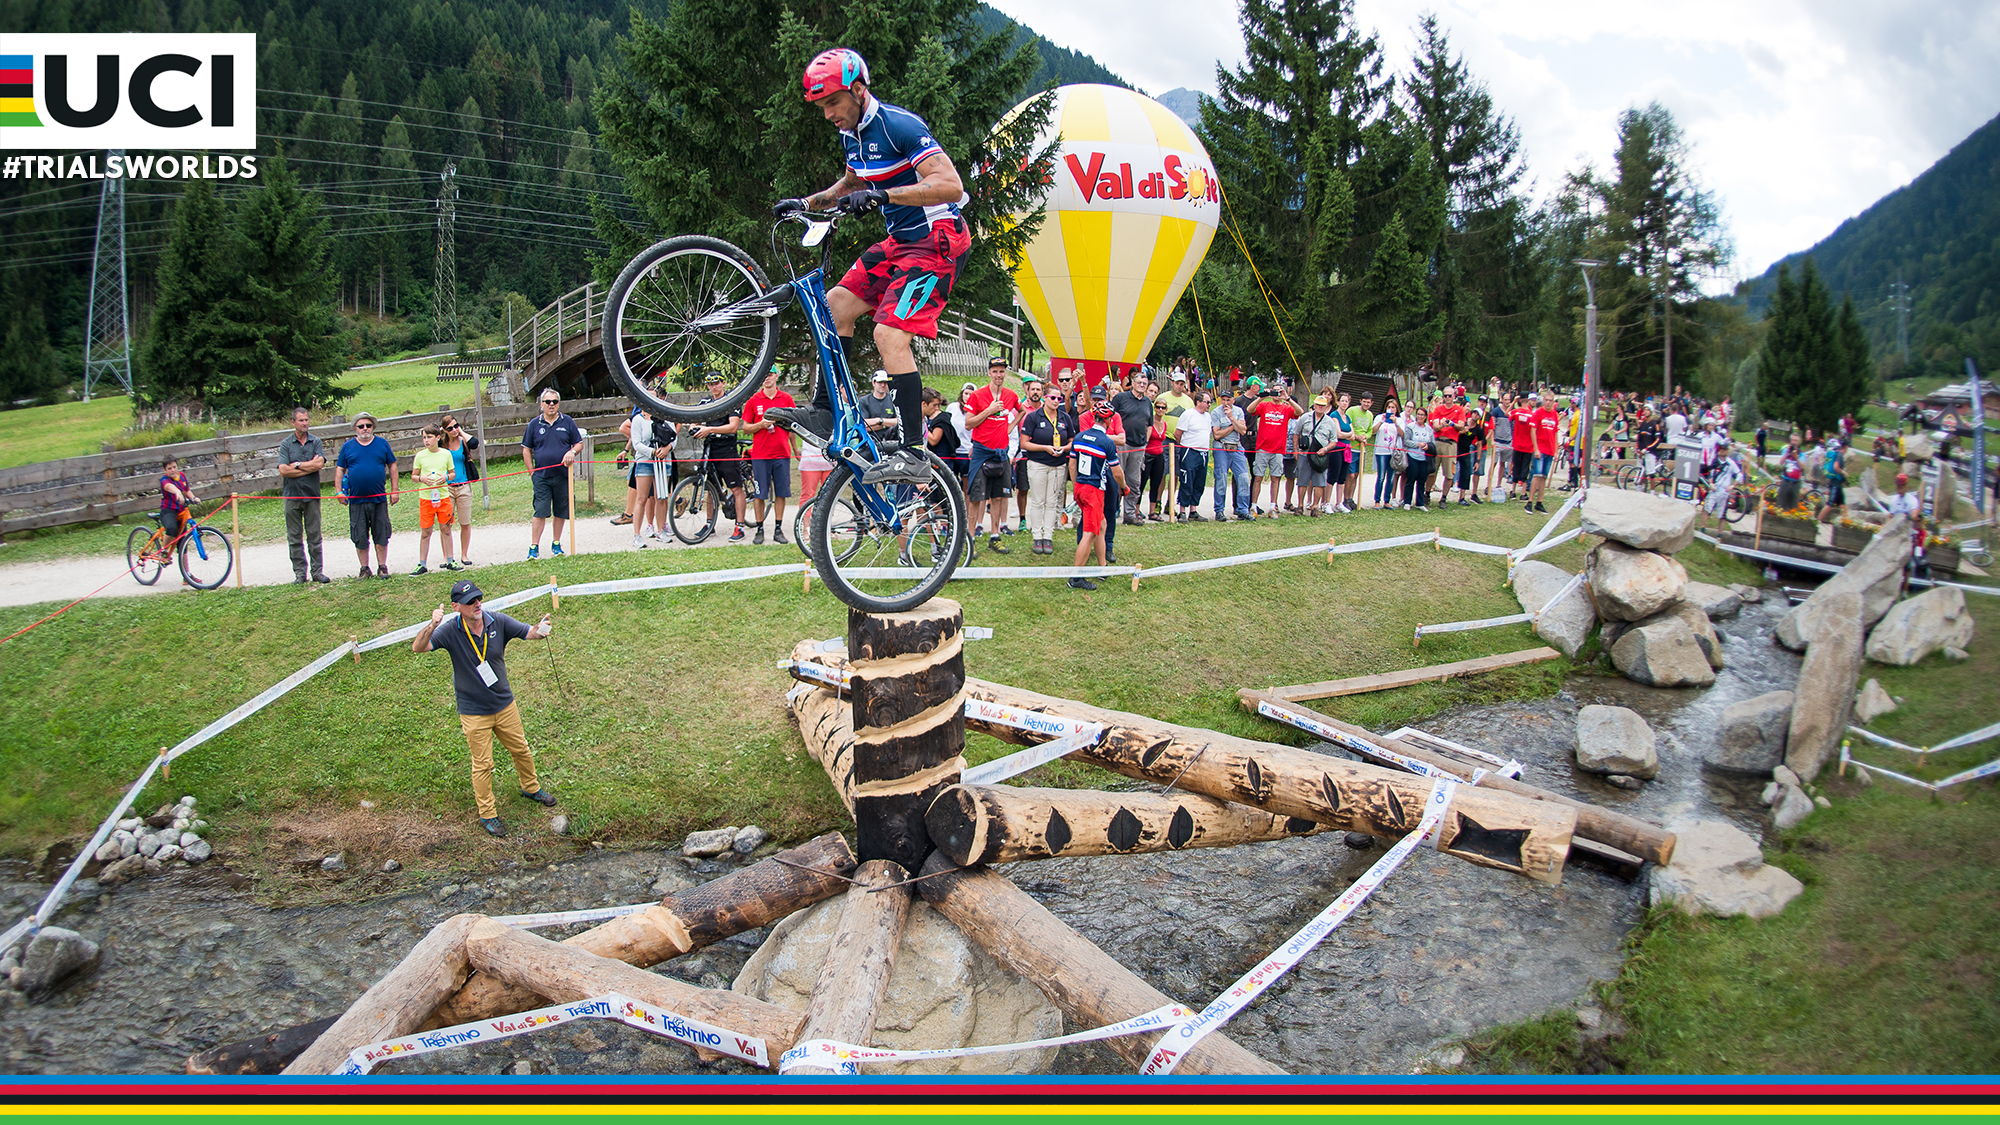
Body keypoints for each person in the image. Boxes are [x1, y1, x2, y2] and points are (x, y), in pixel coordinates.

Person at [767, 47, 971, 487]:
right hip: (901, 242)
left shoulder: (899, 126)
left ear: (858, 90)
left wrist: (885, 196)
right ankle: (825, 411)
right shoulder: (852, 134)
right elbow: (851, 184)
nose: (828, 114)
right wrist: (805, 202)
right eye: (821, 107)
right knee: (835, 306)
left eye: (833, 103)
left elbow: (950, 185)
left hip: (937, 241)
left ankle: (914, 452)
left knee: (888, 334)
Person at [412, 579, 559, 838]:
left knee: (521, 749)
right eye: (470, 602)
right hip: (473, 711)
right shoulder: (449, 631)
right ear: (456, 607)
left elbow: (530, 632)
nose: (477, 604)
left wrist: (542, 628)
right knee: (483, 765)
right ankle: (488, 814)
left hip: (504, 704)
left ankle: (531, 788)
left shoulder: (497, 621)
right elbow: (419, 647)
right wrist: (432, 625)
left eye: (478, 598)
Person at [1067, 387, 1127, 591]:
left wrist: (1077, 485)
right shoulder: (1106, 442)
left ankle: (1102, 567)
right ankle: (1076, 578)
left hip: (1080, 487)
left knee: (1101, 525)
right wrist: (1124, 487)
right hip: (1094, 491)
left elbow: (1072, 465)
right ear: (1108, 420)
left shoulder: (1080, 437)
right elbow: (1117, 473)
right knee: (1090, 533)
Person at [964, 357, 1021, 554]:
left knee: (998, 497)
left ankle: (995, 536)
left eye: (1002, 371)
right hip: (982, 453)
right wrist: (988, 411)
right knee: (976, 498)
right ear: (989, 372)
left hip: (1001, 453)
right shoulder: (977, 395)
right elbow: (969, 424)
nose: (999, 375)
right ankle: (970, 540)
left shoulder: (1011, 395)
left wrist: (1010, 427)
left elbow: (1021, 410)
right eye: (995, 371)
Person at [334, 411, 399, 578]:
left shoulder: (382, 444)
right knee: (359, 535)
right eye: (361, 426)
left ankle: (382, 567)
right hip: (356, 500)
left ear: (373, 427)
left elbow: (392, 466)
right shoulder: (348, 446)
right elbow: (340, 469)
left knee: (381, 533)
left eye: (368, 425)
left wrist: (395, 490)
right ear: (355, 428)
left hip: (378, 499)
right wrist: (339, 491)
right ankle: (364, 569)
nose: (365, 428)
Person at [521, 390, 583, 560]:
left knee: (561, 511)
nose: (551, 405)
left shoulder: (567, 421)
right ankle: (534, 546)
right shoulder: (534, 424)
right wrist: (532, 472)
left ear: (558, 403)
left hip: (563, 475)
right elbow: (526, 449)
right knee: (540, 511)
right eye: (547, 401)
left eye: (554, 401)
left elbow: (579, 444)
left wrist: (571, 452)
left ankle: (556, 543)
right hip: (542, 476)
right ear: (541, 404)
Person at [1018, 374, 1075, 555]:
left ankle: (1048, 536)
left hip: (1058, 464)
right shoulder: (1034, 417)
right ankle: (1037, 536)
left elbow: (1072, 440)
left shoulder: (1065, 418)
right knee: (1038, 501)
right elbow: (1024, 443)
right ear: (1045, 397)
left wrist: (1064, 448)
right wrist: (1045, 448)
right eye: (1053, 398)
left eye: (1059, 398)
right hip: (1038, 463)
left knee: (1052, 502)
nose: (1056, 401)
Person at [740, 369, 798, 545]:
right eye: (765, 375)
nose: (767, 378)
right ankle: (759, 529)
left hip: (782, 453)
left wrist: (795, 449)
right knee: (760, 494)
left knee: (781, 493)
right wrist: (761, 425)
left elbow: (794, 425)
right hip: (760, 455)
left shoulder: (786, 398)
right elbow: (745, 427)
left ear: (776, 376)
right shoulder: (753, 400)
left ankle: (778, 529)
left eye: (770, 375)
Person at [691, 373, 749, 542]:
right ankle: (709, 524)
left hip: (727, 450)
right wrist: (693, 428)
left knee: (736, 488)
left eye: (717, 383)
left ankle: (739, 527)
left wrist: (709, 429)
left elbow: (733, 427)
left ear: (723, 383)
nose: (714, 387)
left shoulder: (731, 401)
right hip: (710, 449)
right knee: (710, 488)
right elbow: (694, 420)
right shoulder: (705, 402)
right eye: (710, 384)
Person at [277, 406, 330, 584]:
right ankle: (300, 573)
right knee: (294, 537)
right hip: (292, 495)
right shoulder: (286, 444)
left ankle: (317, 572)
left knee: (314, 535)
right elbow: (284, 470)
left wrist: (297, 465)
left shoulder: (315, 442)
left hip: (311, 495)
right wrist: (309, 467)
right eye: (301, 420)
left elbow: (319, 464)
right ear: (293, 422)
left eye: (306, 420)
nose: (305, 423)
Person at [409, 424, 456, 575]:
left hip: (443, 497)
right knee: (425, 532)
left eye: (429, 437)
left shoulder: (446, 454)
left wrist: (446, 477)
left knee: (446, 529)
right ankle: (422, 564)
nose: (426, 441)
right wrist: (421, 478)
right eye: (424, 438)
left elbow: (453, 473)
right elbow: (414, 476)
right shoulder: (420, 456)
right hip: (426, 498)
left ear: (437, 438)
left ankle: (450, 560)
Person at [1247, 382, 1298, 517]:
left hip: (1278, 449)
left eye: (1279, 391)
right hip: (1263, 448)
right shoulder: (1265, 405)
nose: (1277, 394)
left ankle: (1273, 507)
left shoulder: (1286, 408)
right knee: (1258, 477)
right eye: (1275, 391)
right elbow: (1250, 409)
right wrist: (1262, 397)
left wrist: (1288, 398)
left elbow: (1299, 412)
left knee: (1275, 478)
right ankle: (1253, 506)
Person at [439, 414, 481, 566]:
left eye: (455, 426)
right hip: (447, 488)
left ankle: (464, 555)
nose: (454, 430)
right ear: (445, 430)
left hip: (463, 487)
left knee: (465, 522)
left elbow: (475, 444)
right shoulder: (441, 444)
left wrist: (461, 432)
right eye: (450, 428)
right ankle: (446, 556)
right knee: (445, 524)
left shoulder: (463, 441)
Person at [1210, 389, 1251, 521]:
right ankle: (1219, 510)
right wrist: (1234, 426)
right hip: (1221, 446)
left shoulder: (1238, 411)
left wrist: (1232, 418)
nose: (1226, 402)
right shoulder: (1216, 412)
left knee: (1244, 478)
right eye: (1223, 399)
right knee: (1221, 478)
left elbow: (1243, 431)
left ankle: (1243, 510)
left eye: (1228, 400)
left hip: (1236, 446)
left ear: (1233, 400)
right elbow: (1217, 434)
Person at [1174, 390, 1213, 521]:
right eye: (1207, 402)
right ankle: (1182, 511)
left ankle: (1193, 510)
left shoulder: (1207, 416)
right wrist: (1185, 446)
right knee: (1187, 480)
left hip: (1203, 452)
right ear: (1198, 402)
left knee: (1199, 481)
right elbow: (1178, 434)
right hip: (1190, 451)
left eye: (1210, 402)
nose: (1209, 404)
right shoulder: (1188, 414)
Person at [923, 387, 966, 494]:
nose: (936, 408)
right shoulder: (926, 417)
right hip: (929, 460)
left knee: (941, 494)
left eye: (937, 405)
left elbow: (934, 440)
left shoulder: (941, 418)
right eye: (934, 405)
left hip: (942, 460)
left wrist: (922, 426)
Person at [1524, 392, 1559, 513]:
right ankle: (1530, 501)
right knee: (1536, 475)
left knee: (1544, 476)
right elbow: (1533, 430)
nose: (1548, 402)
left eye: (1551, 400)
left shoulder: (1554, 414)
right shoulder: (1538, 412)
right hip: (1540, 449)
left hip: (1550, 449)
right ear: (1544, 400)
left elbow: (1555, 433)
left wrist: (1556, 451)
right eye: (1547, 400)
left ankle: (1539, 502)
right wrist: (1536, 448)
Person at [1345, 392, 1376, 511]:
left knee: (1357, 475)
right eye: (1364, 401)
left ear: (1371, 403)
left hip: (1362, 449)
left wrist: (1365, 437)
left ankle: (1351, 498)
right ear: (1360, 401)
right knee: (1350, 475)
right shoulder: (1352, 411)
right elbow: (1348, 426)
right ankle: (1346, 498)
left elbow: (1370, 430)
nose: (1366, 404)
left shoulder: (1370, 415)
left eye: (1368, 402)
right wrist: (1357, 437)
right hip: (1351, 447)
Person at [1372, 396, 1403, 509]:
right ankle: (1377, 500)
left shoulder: (1399, 420)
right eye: (1389, 407)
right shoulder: (1379, 417)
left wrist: (1396, 423)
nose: (1391, 409)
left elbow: (1402, 434)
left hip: (1393, 452)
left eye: (1393, 407)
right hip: (1381, 450)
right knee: (1381, 476)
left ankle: (1387, 500)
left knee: (1391, 477)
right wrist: (1382, 421)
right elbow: (1373, 431)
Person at [1400, 407, 1434, 511]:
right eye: (1418, 414)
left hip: (1424, 458)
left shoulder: (1428, 429)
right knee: (1410, 479)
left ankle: (1420, 502)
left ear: (1425, 417)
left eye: (1422, 415)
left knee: (1422, 480)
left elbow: (1432, 443)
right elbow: (1406, 441)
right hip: (1412, 456)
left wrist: (1427, 446)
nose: (1420, 416)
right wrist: (1417, 444)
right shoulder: (1411, 427)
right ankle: (1407, 501)